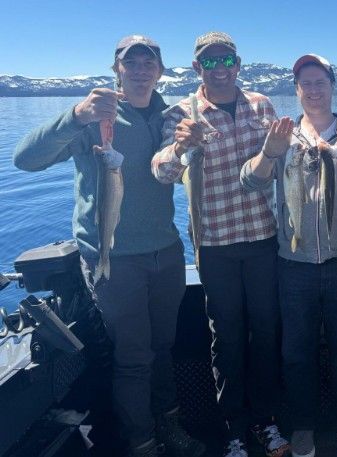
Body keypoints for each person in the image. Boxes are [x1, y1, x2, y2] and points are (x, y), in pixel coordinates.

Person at [14, 35, 204, 457]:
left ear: (159, 70)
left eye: (148, 62)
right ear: (117, 69)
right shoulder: (97, 119)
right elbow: (25, 160)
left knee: (164, 348)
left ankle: (169, 423)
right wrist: (75, 116)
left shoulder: (169, 116)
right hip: (114, 260)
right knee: (134, 357)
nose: (140, 69)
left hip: (167, 253)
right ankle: (142, 441)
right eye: (130, 62)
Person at [151, 32, 288, 457]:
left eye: (226, 59)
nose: (220, 68)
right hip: (215, 245)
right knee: (226, 338)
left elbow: (284, 159)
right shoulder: (182, 114)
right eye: (210, 62)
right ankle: (233, 427)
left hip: (265, 239)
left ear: (238, 63)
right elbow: (161, 171)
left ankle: (266, 421)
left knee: (266, 332)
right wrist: (179, 146)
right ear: (197, 69)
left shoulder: (262, 105)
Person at [240, 53, 337, 457]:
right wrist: (269, 153)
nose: (313, 90)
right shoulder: (281, 134)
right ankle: (304, 425)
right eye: (305, 83)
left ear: (332, 86)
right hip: (294, 266)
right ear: (296, 90)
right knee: (296, 353)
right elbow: (252, 183)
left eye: (320, 82)